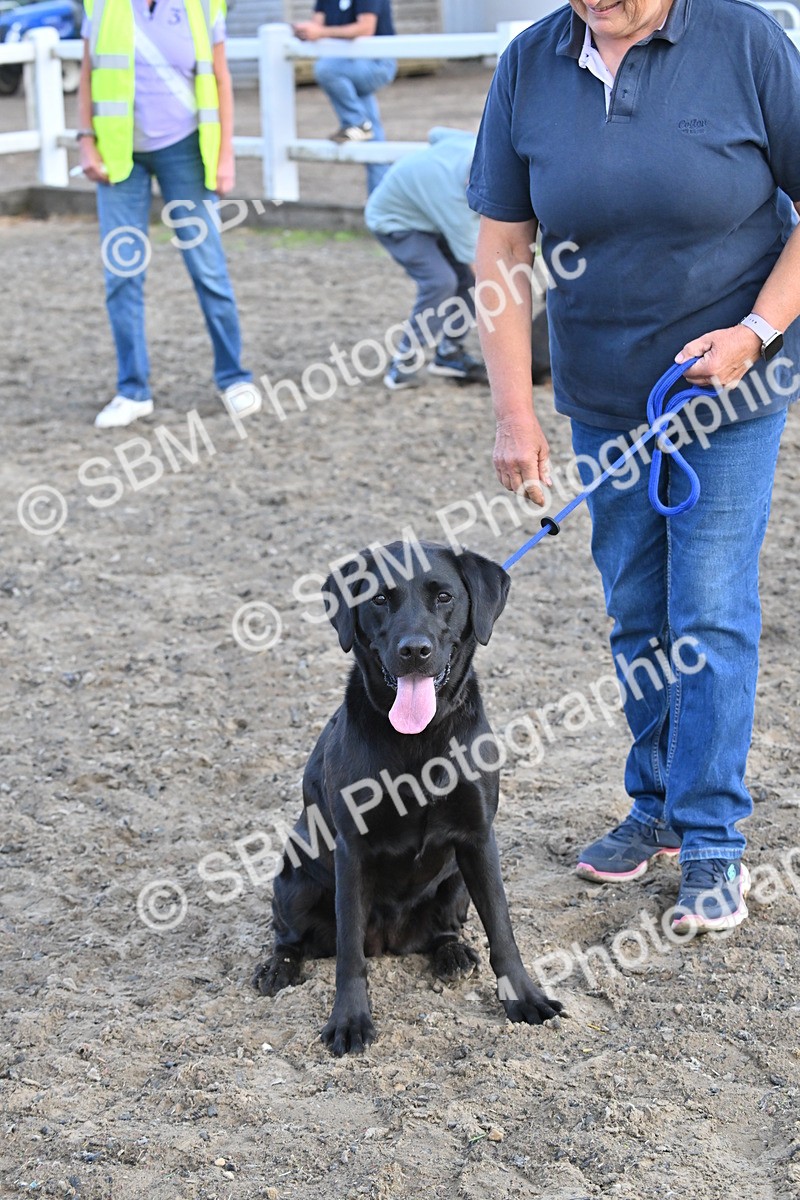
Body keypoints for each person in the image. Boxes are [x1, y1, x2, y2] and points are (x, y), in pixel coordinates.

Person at [467, 0, 800, 933]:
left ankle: (712, 843)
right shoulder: (532, 60)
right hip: (607, 398)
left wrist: (756, 333)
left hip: (727, 391)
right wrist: (514, 409)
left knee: (710, 611)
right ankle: (654, 802)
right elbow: (503, 245)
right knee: (636, 610)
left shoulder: (745, 42)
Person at [78, 0, 259, 429]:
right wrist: (86, 139)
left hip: (187, 151)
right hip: (121, 156)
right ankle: (132, 390)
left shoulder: (202, 7)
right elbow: (88, 75)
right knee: (122, 273)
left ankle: (234, 377)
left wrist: (225, 154)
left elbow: (220, 77)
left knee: (207, 267)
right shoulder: (101, 6)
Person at [365, 127, 488, 389]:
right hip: (394, 219)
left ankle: (449, 353)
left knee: (465, 279)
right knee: (441, 281)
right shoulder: (455, 202)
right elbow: (479, 266)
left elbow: (435, 134)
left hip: (426, 214)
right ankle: (403, 363)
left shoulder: (476, 146)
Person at [293, 0, 396, 194]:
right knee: (373, 135)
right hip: (348, 62)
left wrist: (321, 33)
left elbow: (366, 27)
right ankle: (380, 201)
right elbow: (318, 23)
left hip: (377, 63)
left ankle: (355, 122)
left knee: (326, 69)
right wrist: (305, 31)